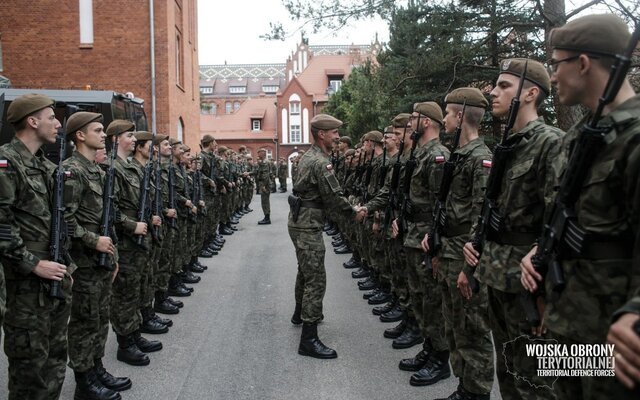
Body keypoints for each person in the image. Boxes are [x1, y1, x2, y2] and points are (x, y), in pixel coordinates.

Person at [520, 14, 640, 399]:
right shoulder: (578, 137)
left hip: (613, 338)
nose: (552, 76)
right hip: (569, 324)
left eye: (557, 64)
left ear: (583, 63)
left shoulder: (634, 138)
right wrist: (540, 250)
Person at [461, 59, 563, 399]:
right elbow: (490, 209)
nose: (493, 91)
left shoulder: (550, 142)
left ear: (532, 93)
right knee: (508, 376)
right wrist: (471, 263)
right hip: (497, 275)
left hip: (528, 286)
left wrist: (548, 289)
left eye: (505, 86)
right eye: (496, 85)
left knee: (536, 384)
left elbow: (562, 217)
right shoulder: (509, 144)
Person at [0, 93, 72, 400]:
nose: (57, 124)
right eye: (51, 117)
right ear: (32, 121)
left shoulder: (47, 167)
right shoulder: (6, 163)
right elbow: (2, 226)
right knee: (30, 370)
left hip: (54, 278)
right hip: (25, 286)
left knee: (55, 361)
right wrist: (33, 263)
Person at [63, 111, 124, 400]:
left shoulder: (97, 171)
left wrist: (113, 255)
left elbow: (106, 219)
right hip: (84, 263)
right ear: (80, 135)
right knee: (84, 322)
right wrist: (93, 241)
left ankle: (97, 368)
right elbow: (64, 220)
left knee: (99, 318)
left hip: (101, 260)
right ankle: (84, 382)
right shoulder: (71, 171)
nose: (103, 135)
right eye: (98, 130)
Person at [288, 114, 356, 359]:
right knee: (316, 278)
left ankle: (299, 313)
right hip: (307, 224)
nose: (337, 137)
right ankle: (309, 338)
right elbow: (334, 198)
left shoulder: (311, 156)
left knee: (305, 270)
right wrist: (354, 213)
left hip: (301, 221)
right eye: (334, 133)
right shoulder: (320, 162)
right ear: (321, 134)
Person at [108, 122, 164, 369]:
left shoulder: (131, 167)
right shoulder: (113, 168)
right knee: (124, 295)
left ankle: (134, 333)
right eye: (129, 135)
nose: (133, 139)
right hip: (127, 242)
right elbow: (111, 211)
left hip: (141, 241)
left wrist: (149, 218)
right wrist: (132, 226)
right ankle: (125, 343)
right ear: (116, 139)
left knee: (138, 288)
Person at [256, 148, 272, 225]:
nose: (258, 155)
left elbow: (265, 175)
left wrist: (263, 186)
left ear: (262, 153)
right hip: (265, 184)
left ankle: (267, 218)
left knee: (265, 201)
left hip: (265, 185)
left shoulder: (265, 162)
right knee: (265, 201)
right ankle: (266, 217)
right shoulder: (263, 162)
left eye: (259, 153)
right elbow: (259, 172)